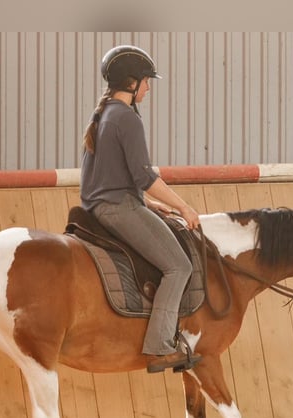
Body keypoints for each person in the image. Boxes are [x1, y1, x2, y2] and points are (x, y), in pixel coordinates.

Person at [80, 45, 202, 374]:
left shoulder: (103, 116)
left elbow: (113, 180)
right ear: (132, 83)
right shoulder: (127, 118)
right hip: (119, 208)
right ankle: (160, 346)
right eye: (147, 82)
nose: (148, 88)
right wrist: (184, 207)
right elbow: (145, 177)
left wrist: (154, 205)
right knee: (179, 266)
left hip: (101, 206)